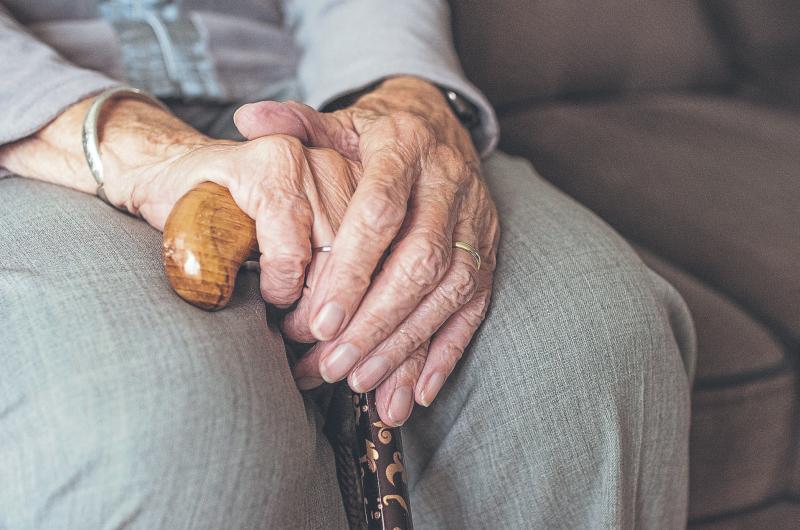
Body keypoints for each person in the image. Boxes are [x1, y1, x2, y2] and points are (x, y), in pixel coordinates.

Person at [0, 1, 696, 528]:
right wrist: (129, 146)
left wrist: (407, 97)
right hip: (32, 126)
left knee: (591, 347)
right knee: (160, 422)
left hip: (310, 98)